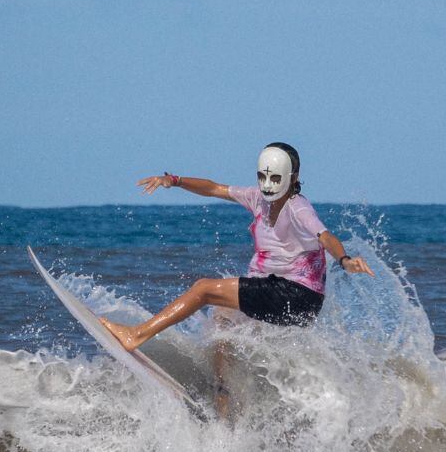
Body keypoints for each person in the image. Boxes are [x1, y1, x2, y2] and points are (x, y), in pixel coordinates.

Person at [106, 146, 374, 356]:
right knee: (222, 322)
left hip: (297, 296)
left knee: (204, 289)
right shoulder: (257, 197)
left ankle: (136, 335)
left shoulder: (297, 208)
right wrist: (174, 180)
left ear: (293, 179)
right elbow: (213, 188)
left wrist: (345, 260)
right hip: (283, 293)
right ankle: (224, 397)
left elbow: (325, 236)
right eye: (262, 176)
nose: (267, 184)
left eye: (275, 178)